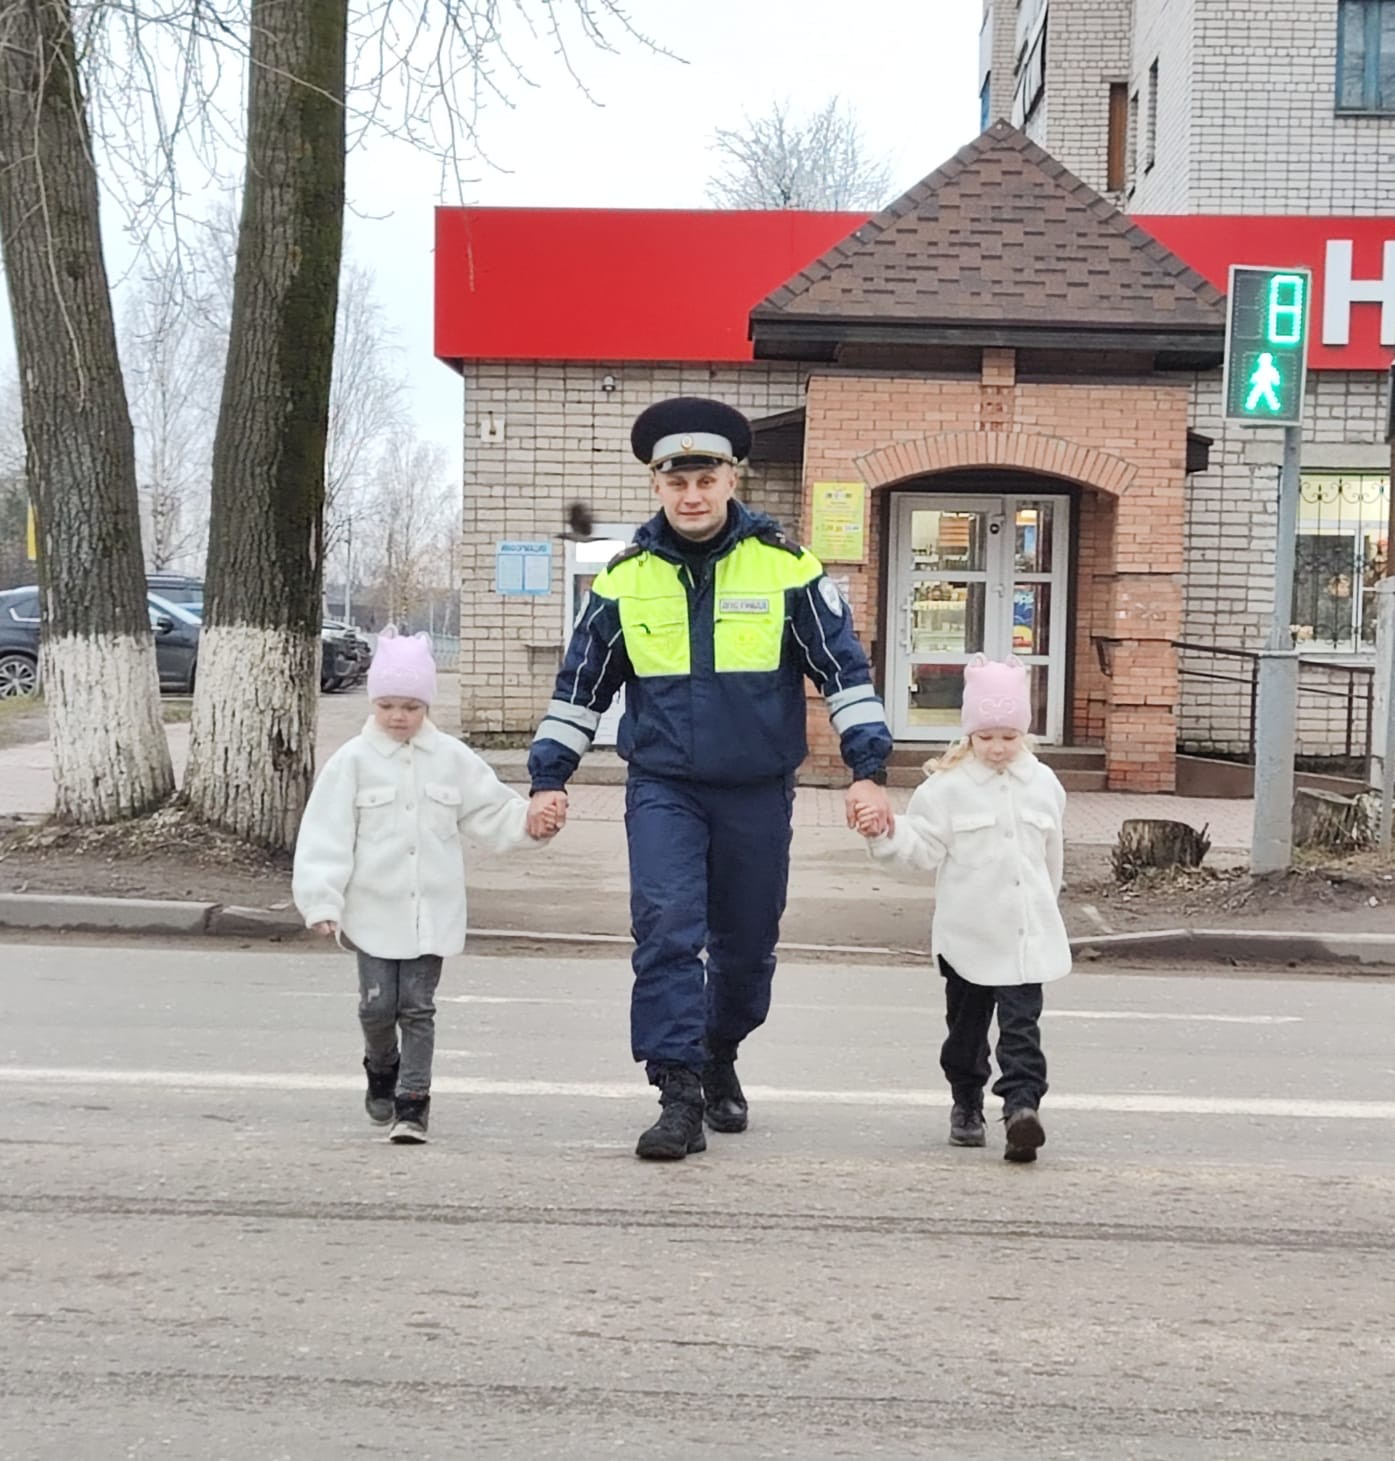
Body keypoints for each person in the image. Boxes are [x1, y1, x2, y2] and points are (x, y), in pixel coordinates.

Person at [527, 396, 893, 1161]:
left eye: (706, 477)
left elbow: (844, 673)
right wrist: (547, 777)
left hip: (757, 791)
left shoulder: (789, 570)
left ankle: (720, 1047)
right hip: (664, 788)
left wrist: (867, 769)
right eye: (675, 480)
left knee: (746, 949)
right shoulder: (623, 581)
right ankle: (678, 1092)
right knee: (665, 930)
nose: (691, 494)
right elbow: (578, 690)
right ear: (656, 486)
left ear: (733, 477)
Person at [294, 627, 560, 1144]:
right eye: (389, 705)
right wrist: (322, 900)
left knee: (417, 1008)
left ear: (427, 705)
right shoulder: (351, 762)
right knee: (377, 1006)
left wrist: (531, 822)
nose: (399, 717)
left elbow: (491, 809)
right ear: (374, 702)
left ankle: (412, 1105)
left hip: (431, 913)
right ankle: (381, 1067)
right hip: (371, 913)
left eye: (412, 706)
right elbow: (325, 835)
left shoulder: (451, 758)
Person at [853, 656, 1070, 1163]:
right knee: (966, 1033)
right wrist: (884, 831)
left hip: (1024, 938)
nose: (998, 747)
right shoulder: (946, 790)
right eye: (986, 736)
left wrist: (1042, 914)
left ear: (1025, 734)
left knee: (1022, 1030)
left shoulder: (1044, 785)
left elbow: (1051, 860)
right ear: (969, 735)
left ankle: (1022, 1109)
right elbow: (920, 848)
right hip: (967, 937)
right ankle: (966, 1102)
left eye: (1008, 736)